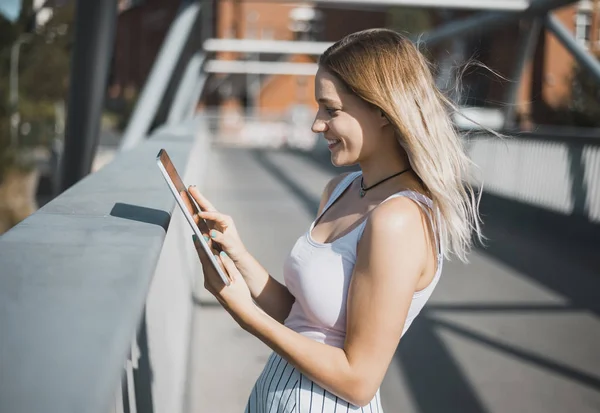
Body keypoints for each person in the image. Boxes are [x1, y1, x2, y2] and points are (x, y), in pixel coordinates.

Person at [188, 28, 482, 413]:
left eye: (331, 109)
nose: (316, 124)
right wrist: (238, 254)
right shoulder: (341, 189)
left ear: (382, 109)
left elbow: (359, 381)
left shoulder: (399, 220)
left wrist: (244, 314)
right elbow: (303, 317)